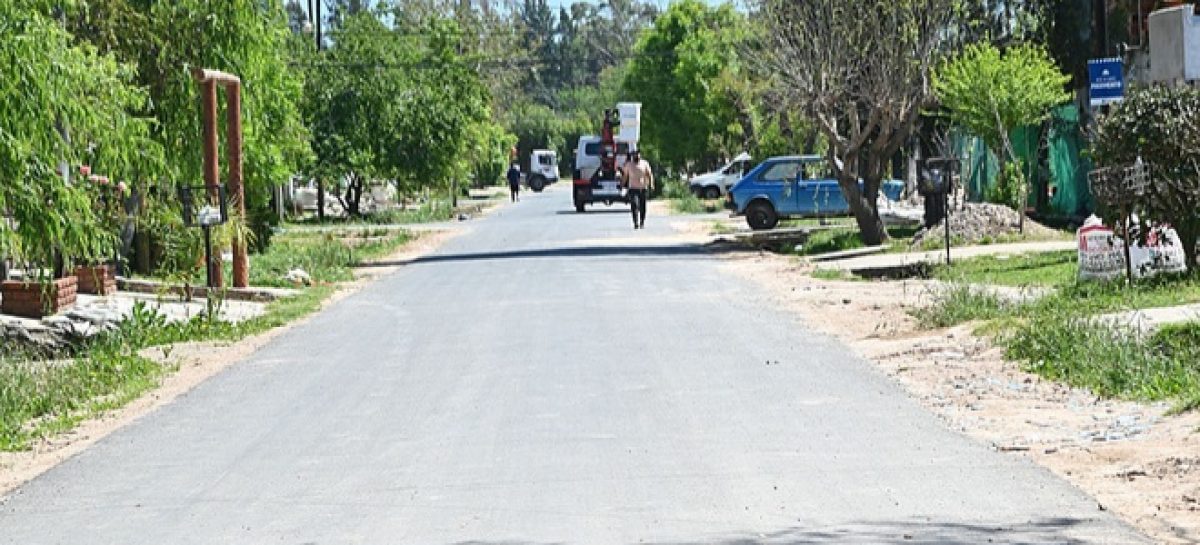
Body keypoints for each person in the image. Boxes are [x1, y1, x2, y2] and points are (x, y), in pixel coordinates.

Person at [622, 150, 654, 229]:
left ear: (640, 155)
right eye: (635, 155)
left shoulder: (645, 163)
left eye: (638, 154)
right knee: (634, 205)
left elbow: (649, 174)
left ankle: (642, 222)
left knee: (643, 206)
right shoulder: (629, 165)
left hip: (643, 188)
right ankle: (635, 222)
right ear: (633, 156)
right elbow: (625, 176)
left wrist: (652, 184)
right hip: (633, 188)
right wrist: (622, 184)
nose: (637, 156)